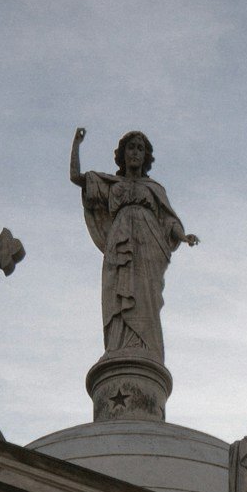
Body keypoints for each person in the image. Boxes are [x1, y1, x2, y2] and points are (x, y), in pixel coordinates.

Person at [69, 127, 198, 364]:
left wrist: (183, 236)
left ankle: (146, 346)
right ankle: (117, 345)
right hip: (119, 241)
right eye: (131, 147)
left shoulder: (154, 189)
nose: (135, 153)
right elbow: (77, 178)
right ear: (122, 153)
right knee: (118, 289)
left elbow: (168, 220)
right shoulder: (112, 184)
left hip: (148, 242)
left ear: (146, 156)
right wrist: (76, 145)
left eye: (140, 148)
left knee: (144, 292)